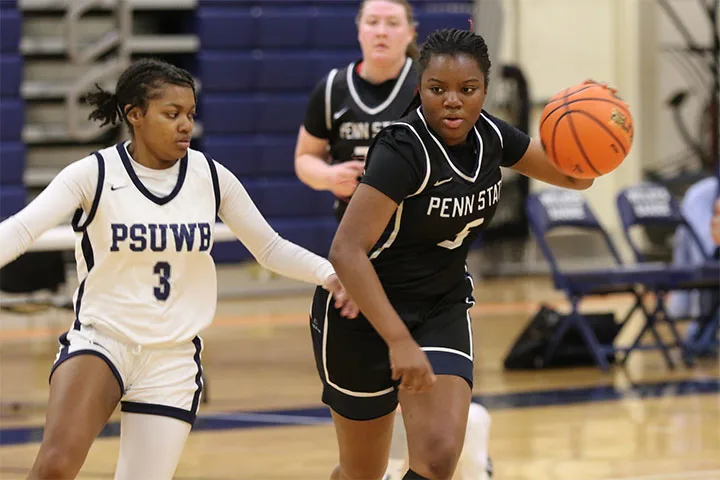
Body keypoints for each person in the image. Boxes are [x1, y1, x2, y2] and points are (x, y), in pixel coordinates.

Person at [0, 58, 358, 480]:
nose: (186, 124)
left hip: (172, 357)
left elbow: (269, 247)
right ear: (135, 115)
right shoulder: (93, 173)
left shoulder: (210, 176)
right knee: (55, 466)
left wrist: (330, 274)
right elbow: (21, 230)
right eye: (172, 115)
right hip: (103, 341)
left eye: (190, 114)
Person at [309, 28, 595, 480]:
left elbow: (577, 176)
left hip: (440, 303)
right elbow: (346, 251)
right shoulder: (403, 149)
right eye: (437, 89)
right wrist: (398, 340)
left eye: (468, 89)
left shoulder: (492, 138)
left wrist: (596, 123)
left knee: (440, 456)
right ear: (419, 88)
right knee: (362, 472)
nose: (453, 101)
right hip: (363, 313)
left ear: (485, 89)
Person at [295, 2, 494, 478]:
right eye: (372, 21)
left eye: (392, 22)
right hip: (361, 258)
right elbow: (305, 157)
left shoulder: (433, 85)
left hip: (426, 265)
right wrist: (327, 177)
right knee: (364, 461)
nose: (381, 31)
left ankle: (459, 442)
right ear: (358, 30)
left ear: (411, 33)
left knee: (434, 443)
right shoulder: (333, 90)